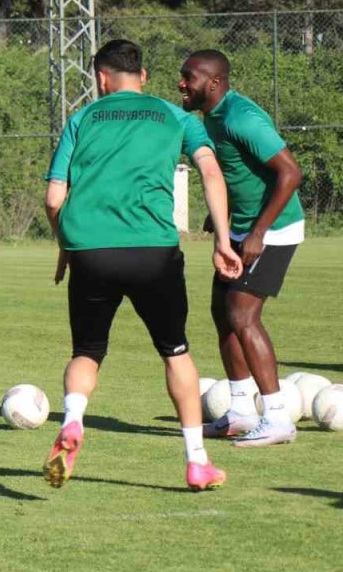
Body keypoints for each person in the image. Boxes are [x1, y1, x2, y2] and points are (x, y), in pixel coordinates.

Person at [42, 40, 243, 491]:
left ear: (100, 78)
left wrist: (66, 246)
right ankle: (196, 461)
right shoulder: (175, 116)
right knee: (176, 352)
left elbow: (55, 198)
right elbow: (211, 172)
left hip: (91, 252)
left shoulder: (82, 118)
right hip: (153, 252)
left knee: (87, 352)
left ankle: (73, 420)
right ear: (144, 77)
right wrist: (223, 242)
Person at [180, 50, 306, 447]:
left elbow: (291, 172)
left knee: (242, 314)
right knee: (222, 312)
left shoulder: (240, 117)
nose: (182, 83)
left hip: (274, 230)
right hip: (240, 228)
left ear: (214, 83)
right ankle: (239, 411)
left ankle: (278, 417)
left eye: (190, 77)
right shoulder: (212, 116)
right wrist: (225, 217)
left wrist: (258, 232)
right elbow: (239, 172)